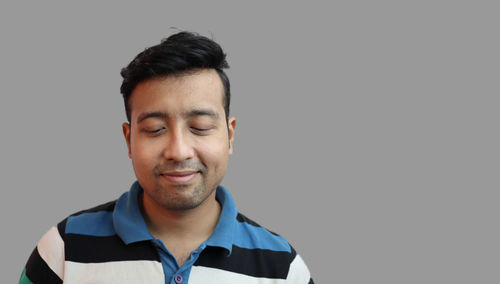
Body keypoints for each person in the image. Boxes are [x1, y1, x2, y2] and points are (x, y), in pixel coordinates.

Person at [19, 31, 313, 284]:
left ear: (230, 135)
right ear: (128, 139)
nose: (179, 151)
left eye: (199, 127)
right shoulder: (63, 251)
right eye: (155, 129)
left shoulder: (282, 268)